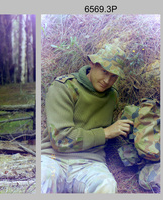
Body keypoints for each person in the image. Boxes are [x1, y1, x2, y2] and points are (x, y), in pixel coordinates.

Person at [41, 44, 134, 193]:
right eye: (104, 71)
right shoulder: (64, 88)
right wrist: (106, 133)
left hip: (90, 162)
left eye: (113, 76)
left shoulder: (112, 96)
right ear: (92, 64)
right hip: (53, 158)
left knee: (106, 185)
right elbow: (60, 139)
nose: (107, 80)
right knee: (43, 178)